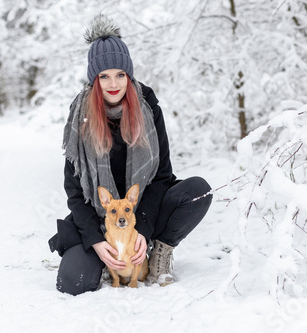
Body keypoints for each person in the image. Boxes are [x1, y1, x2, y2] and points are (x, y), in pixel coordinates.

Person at [48, 14, 212, 296]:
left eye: (120, 74)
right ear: (94, 79)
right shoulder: (81, 115)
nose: (114, 83)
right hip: (101, 218)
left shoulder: (147, 106)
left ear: (129, 74)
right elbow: (75, 191)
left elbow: (162, 176)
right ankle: (109, 260)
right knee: (72, 282)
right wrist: (96, 241)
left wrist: (143, 230)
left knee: (198, 190)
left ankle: (156, 252)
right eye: (104, 76)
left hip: (143, 212)